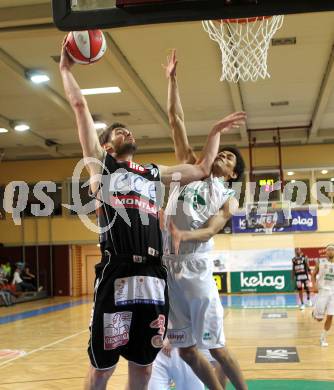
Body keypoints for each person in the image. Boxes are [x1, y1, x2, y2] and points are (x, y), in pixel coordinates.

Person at [59, 40, 245, 390]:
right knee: (102, 368)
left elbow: (203, 166)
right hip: (118, 272)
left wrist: (216, 132)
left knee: (143, 366)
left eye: (127, 128)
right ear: (107, 145)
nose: (126, 130)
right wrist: (65, 70)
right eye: (118, 131)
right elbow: (79, 104)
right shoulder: (103, 166)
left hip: (154, 276)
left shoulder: (152, 173)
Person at [163, 50, 247, 390]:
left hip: (195, 268)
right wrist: (172, 79)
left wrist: (187, 234)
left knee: (216, 347)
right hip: (169, 268)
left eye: (229, 158)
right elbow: (175, 118)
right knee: (185, 350)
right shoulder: (190, 169)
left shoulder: (226, 196)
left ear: (232, 174)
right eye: (222, 151)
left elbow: (213, 228)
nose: (222, 156)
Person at [312, 244, 334, 347]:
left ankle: (323, 337)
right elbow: (313, 274)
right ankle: (314, 313)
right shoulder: (320, 262)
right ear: (325, 252)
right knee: (319, 318)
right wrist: (314, 285)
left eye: (332, 250)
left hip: (333, 292)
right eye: (328, 250)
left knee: (330, 315)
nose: (330, 251)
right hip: (323, 291)